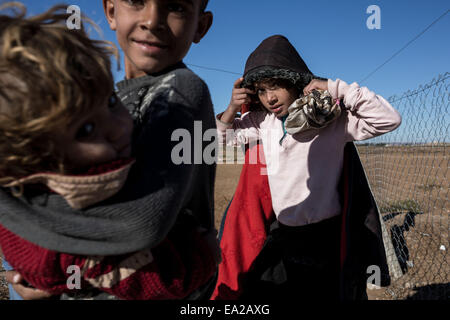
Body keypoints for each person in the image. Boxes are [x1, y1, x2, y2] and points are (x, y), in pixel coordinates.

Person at [0, 2, 218, 300]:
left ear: (201, 26)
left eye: (176, 6)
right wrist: (45, 274)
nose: (152, 21)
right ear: (112, 11)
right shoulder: (98, 100)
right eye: (137, 1)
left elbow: (139, 225)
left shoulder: (180, 90)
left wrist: (48, 270)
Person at [212, 35, 402, 300]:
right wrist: (233, 107)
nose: (270, 98)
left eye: (276, 86)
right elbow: (218, 139)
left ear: (294, 81)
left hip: (327, 236)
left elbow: (389, 119)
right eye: (262, 90)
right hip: (285, 232)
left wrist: (335, 88)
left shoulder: (332, 121)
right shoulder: (262, 122)